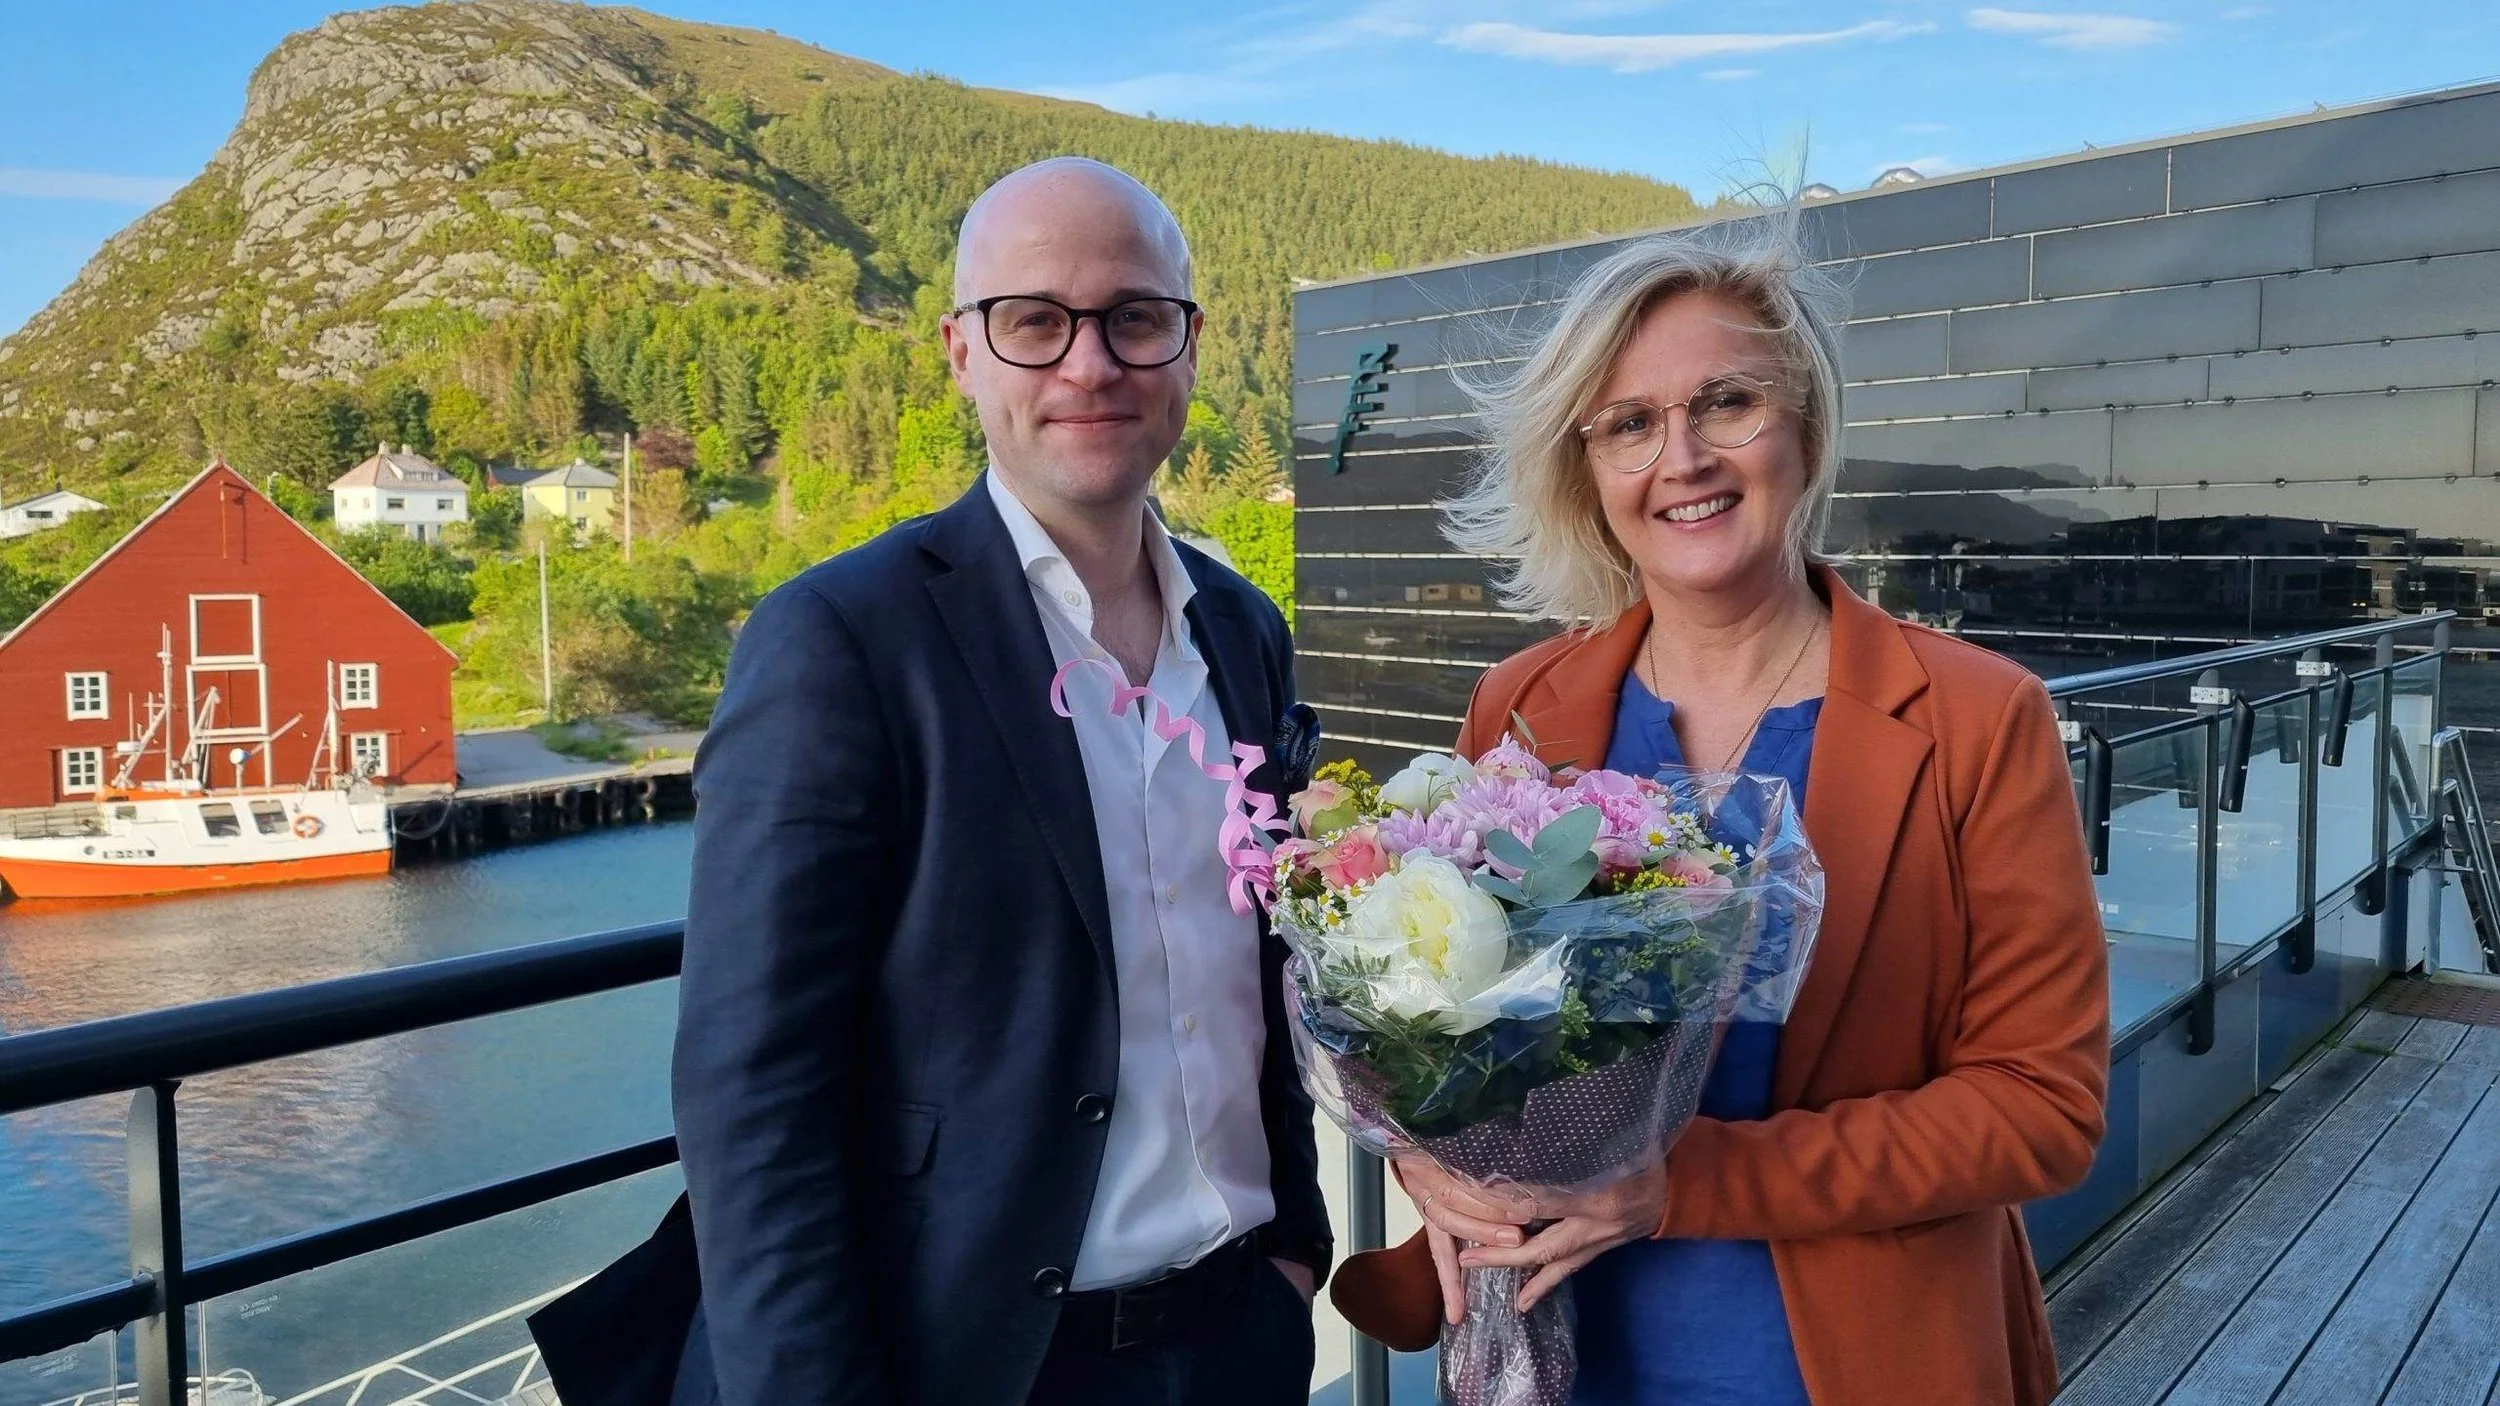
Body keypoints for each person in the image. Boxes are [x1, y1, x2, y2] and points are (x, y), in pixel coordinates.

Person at [530, 158, 1329, 1406]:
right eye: (1033, 322)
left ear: (1188, 344)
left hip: (1239, 1337)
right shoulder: (843, 638)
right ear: (963, 353)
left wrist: (1294, 1249)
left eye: (1133, 316)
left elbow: (1261, 977)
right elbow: (754, 1086)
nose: (1088, 364)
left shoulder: (1241, 628)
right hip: (972, 1361)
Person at [1325, 221, 2110, 1405]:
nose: (1680, 456)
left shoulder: (1976, 718)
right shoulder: (1524, 704)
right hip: (1555, 1354)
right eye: (1629, 424)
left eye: (1726, 402)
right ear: (1585, 468)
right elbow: (1452, 1033)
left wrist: (1680, 1184)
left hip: (1852, 1362)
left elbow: (2040, 1107)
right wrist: (1440, 1167)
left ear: (1800, 426)